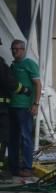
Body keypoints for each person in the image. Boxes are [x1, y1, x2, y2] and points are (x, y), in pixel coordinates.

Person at [8, 40, 41, 179]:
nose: (15, 51)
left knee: (26, 137)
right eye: (13, 49)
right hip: (11, 107)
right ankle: (14, 167)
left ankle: (27, 167)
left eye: (17, 49)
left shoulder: (29, 64)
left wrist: (35, 104)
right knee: (12, 138)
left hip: (25, 108)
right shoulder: (12, 66)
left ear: (23, 49)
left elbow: (38, 85)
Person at [0, 38, 13, 177]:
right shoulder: (1, 64)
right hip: (1, 110)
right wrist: (24, 90)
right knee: (2, 138)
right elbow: (10, 83)